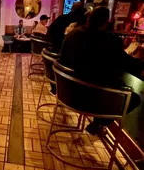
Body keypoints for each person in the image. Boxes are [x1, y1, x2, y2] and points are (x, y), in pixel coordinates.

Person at [60, 7, 142, 135]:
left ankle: (98, 123)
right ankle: (99, 122)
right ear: (106, 22)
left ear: (89, 18)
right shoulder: (111, 41)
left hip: (66, 91)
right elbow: (128, 64)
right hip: (92, 100)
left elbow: (62, 59)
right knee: (134, 98)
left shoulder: (73, 34)